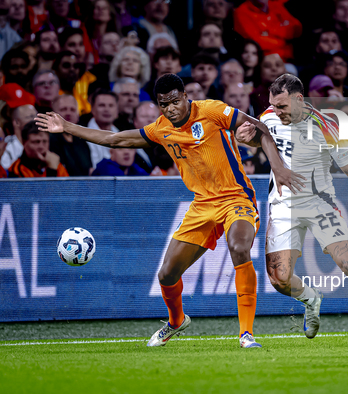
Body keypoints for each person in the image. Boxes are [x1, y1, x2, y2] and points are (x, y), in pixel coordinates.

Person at [35, 73, 302, 348]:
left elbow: (260, 128)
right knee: (166, 275)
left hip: (236, 198)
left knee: (239, 246)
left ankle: (246, 334)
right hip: (202, 205)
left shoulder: (210, 110)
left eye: (175, 101)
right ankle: (176, 321)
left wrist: (278, 167)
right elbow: (115, 139)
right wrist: (67, 126)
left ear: (186, 96)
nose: (171, 109)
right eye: (164, 104)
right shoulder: (160, 129)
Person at [235, 73, 348, 346]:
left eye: (281, 106)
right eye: (272, 105)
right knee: (279, 280)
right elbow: (265, 139)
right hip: (282, 205)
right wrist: (245, 137)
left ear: (299, 99)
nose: (275, 111)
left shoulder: (328, 126)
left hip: (321, 205)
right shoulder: (269, 117)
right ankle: (311, 298)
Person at [50, 94, 92, 176]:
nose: (68, 113)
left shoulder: (82, 140)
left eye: (72, 110)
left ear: (77, 116)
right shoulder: (48, 140)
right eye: (63, 109)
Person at [0, 103, 36, 169]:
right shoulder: (6, 147)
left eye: (36, 116)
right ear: (16, 122)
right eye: (30, 117)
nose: (35, 120)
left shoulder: (43, 144)